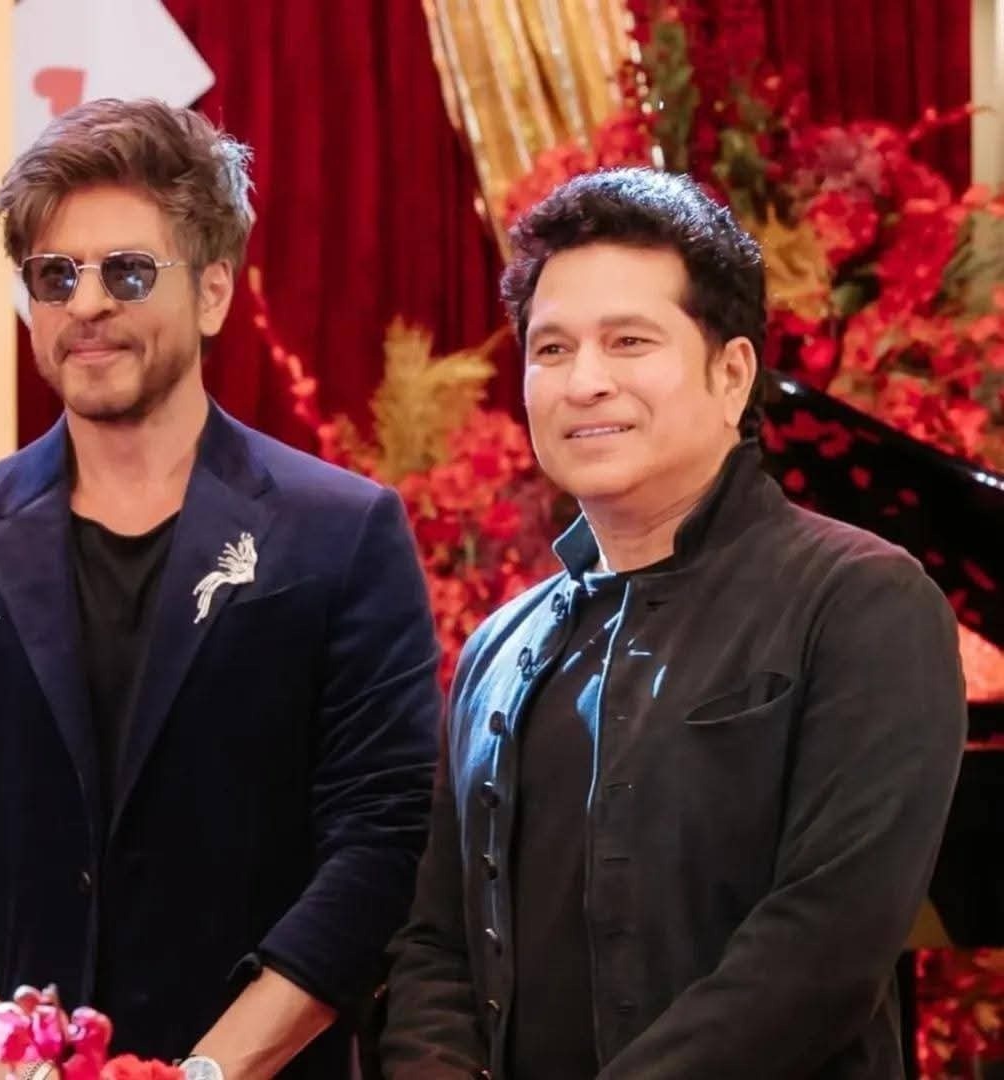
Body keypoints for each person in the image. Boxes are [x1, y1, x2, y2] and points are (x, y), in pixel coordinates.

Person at [380, 167, 967, 1080]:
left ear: (732, 375)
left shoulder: (861, 604)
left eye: (628, 341)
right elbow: (438, 945)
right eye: (551, 348)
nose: (585, 382)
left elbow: (822, 951)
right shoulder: (499, 645)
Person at [0, 98, 441, 1080]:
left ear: (212, 292)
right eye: (54, 275)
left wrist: (205, 1074)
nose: (86, 304)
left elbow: (383, 845)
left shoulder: (341, 533)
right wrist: (6, 1065)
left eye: (126, 271)